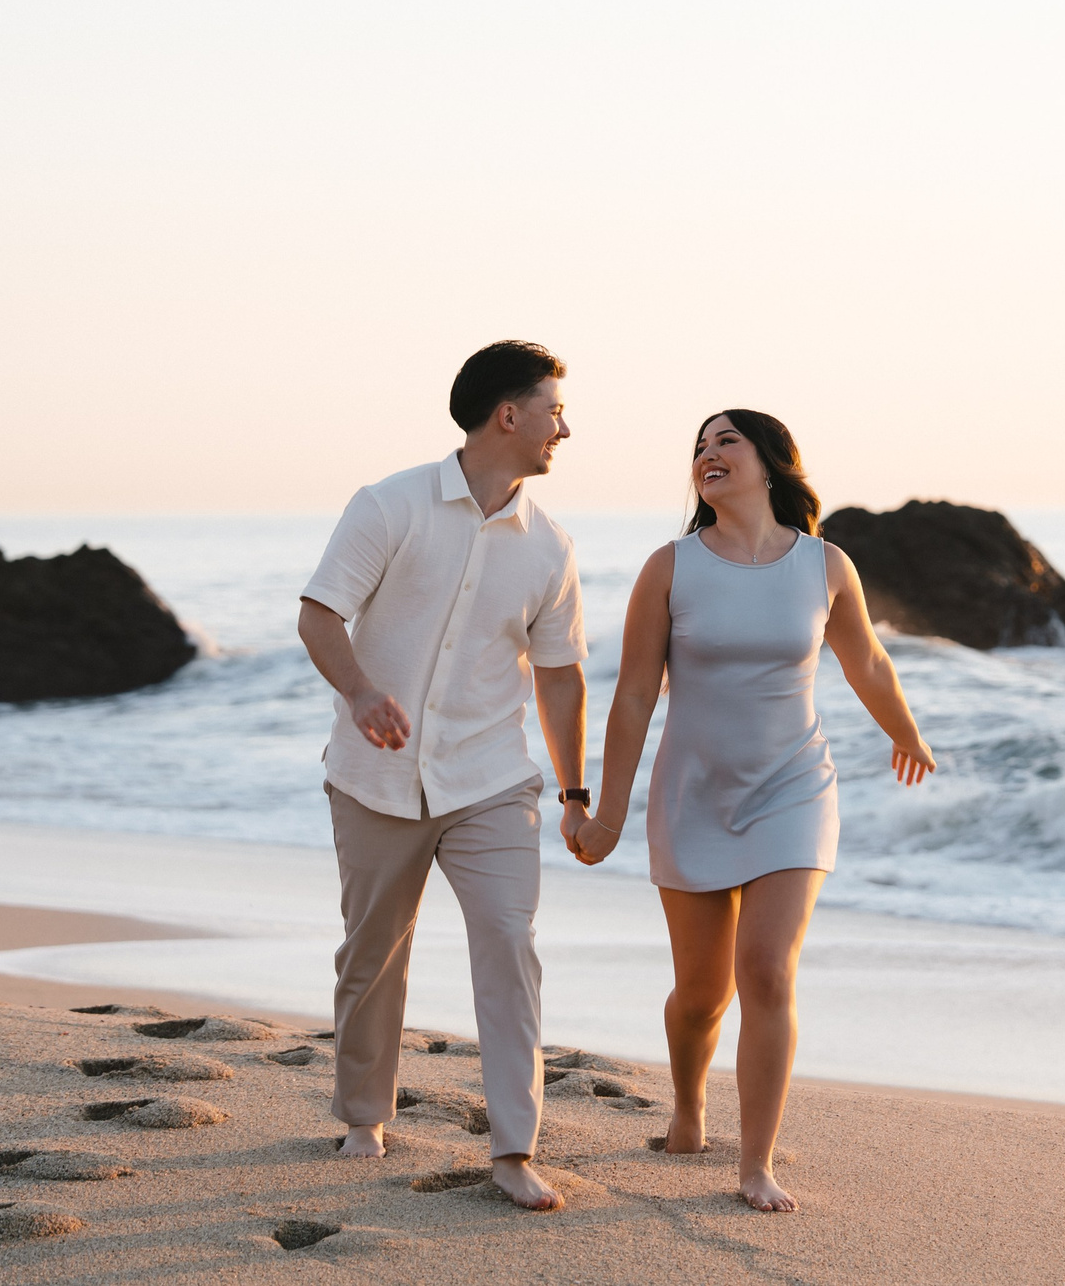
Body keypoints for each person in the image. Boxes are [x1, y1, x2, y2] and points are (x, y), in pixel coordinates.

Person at [574, 409, 936, 1212]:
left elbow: (868, 660)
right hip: (692, 795)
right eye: (698, 446)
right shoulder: (670, 569)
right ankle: (688, 1107)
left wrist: (907, 734)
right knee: (702, 994)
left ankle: (756, 1163)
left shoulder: (825, 565)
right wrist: (606, 813)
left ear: (770, 462)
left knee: (766, 969)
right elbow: (634, 696)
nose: (707, 454)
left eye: (725, 440)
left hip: (795, 789)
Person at [295, 340, 597, 1211]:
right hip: (375, 775)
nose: (563, 430)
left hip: (492, 781)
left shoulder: (551, 547)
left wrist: (575, 795)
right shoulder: (389, 505)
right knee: (372, 952)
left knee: (508, 944)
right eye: (554, 411)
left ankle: (513, 1151)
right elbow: (320, 616)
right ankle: (363, 1115)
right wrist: (358, 693)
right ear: (509, 415)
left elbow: (560, 677)